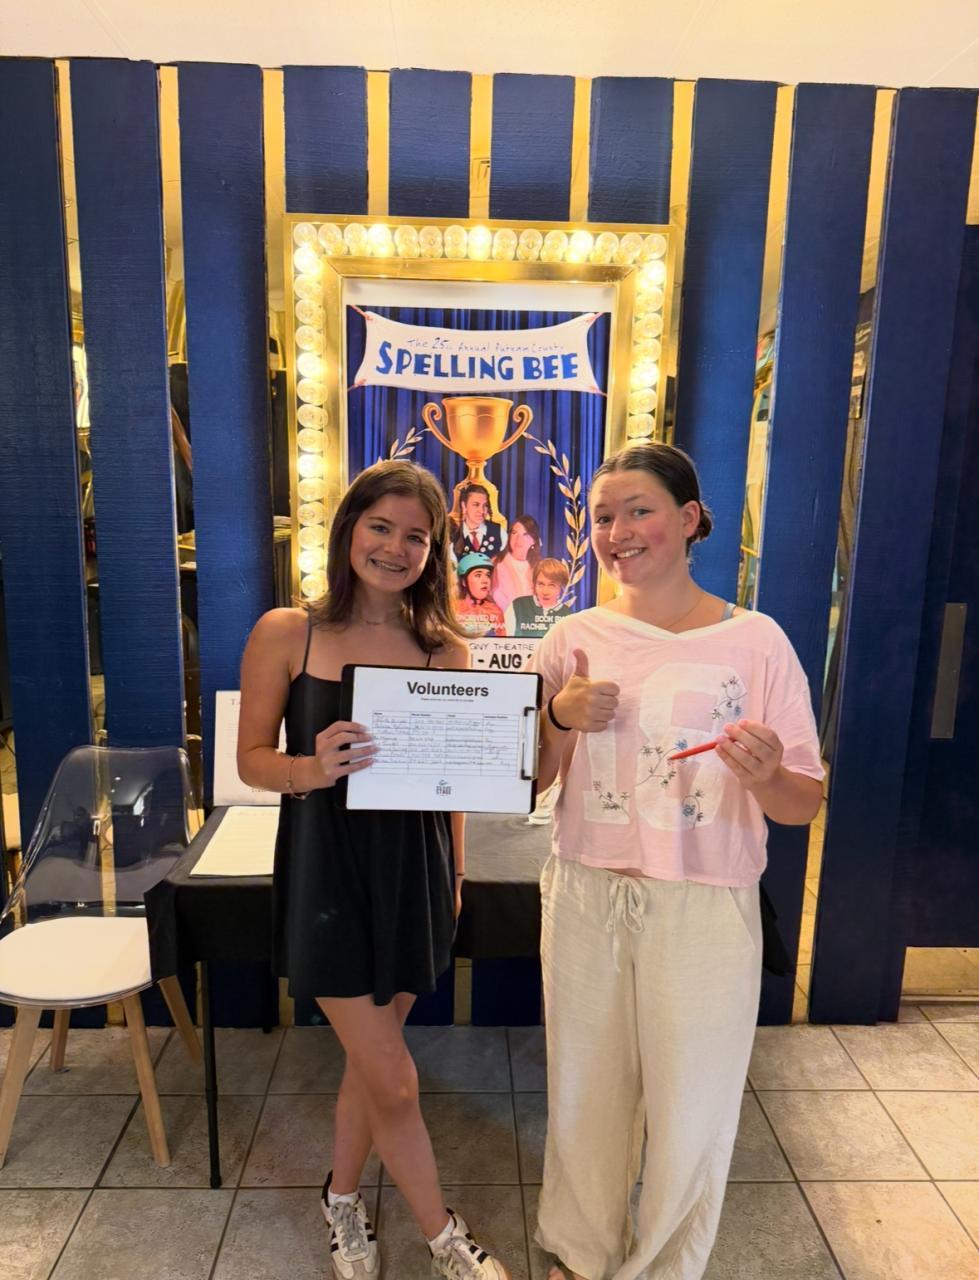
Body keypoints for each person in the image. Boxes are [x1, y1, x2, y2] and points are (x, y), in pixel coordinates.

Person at [530, 443, 823, 1280]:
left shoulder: (756, 642)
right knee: (584, 1090)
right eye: (602, 516)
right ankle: (581, 1253)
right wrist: (558, 716)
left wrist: (765, 774)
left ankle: (662, 1267)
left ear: (689, 519)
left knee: (692, 1104)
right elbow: (533, 780)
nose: (617, 531)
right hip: (586, 894)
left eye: (639, 510)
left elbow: (801, 802)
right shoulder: (573, 638)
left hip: (704, 906)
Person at [237, 460, 511, 1280]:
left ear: (434, 552)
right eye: (381, 527)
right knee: (393, 1081)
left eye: (416, 537)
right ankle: (443, 1237)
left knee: (373, 1060)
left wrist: (453, 876)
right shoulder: (288, 632)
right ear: (349, 529)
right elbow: (250, 760)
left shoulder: (444, 649)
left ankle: (341, 1199)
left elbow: (455, 782)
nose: (395, 548)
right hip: (325, 875)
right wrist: (310, 768)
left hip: (413, 876)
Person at [504, 557, 573, 639]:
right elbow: (504, 640)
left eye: (552, 585)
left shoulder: (567, 614)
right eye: (541, 584)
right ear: (534, 583)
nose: (545, 592)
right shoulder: (518, 606)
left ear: (561, 587)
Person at [491, 513, 542, 612]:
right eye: (514, 533)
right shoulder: (496, 563)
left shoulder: (540, 568)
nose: (518, 539)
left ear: (534, 540)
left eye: (525, 534)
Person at [454, 551, 506, 637]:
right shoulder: (452, 609)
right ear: (464, 582)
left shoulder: (495, 611)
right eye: (478, 575)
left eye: (488, 575)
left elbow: (502, 641)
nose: (485, 581)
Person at [451, 483, 507, 560]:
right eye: (476, 505)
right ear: (464, 506)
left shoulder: (498, 532)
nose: (482, 511)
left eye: (485, 505)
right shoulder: (453, 535)